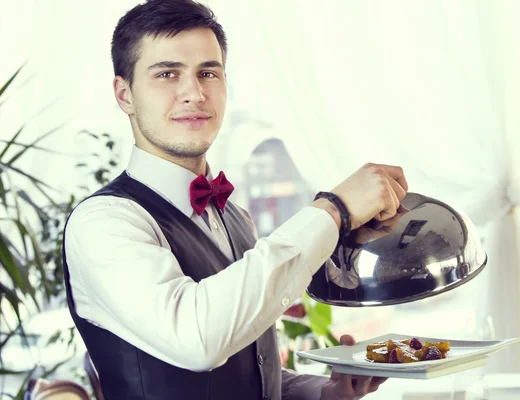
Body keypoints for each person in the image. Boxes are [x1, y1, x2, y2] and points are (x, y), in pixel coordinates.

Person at [63, 1, 409, 399]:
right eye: (167, 74)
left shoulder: (235, 216)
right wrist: (334, 209)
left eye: (208, 73)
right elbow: (197, 340)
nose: (193, 93)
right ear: (124, 94)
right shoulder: (105, 222)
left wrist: (325, 393)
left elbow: (249, 374)